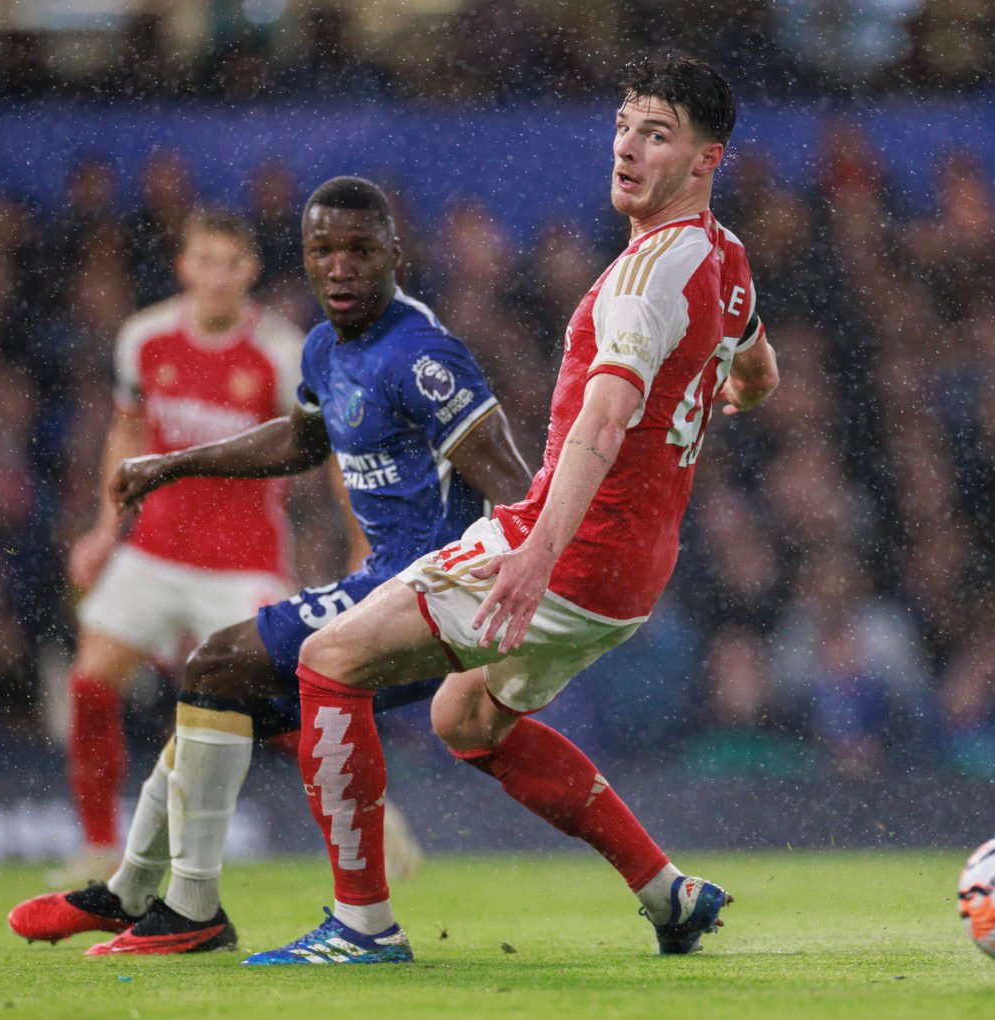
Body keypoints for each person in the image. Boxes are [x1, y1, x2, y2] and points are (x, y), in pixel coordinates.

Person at [245, 55, 780, 967]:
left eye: (657, 134)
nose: (627, 148)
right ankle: (669, 894)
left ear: (705, 159)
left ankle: (361, 926)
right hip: (633, 577)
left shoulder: (644, 279)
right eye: (624, 124)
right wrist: (730, 389)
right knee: (464, 718)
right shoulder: (726, 261)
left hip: (566, 551)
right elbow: (759, 367)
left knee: (328, 662)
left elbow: (604, 423)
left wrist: (533, 559)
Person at [9, 176, 531, 954]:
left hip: (409, 587)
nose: (341, 267)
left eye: (359, 250)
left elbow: (519, 487)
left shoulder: (422, 355)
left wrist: (544, 577)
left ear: (395, 253)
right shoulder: (319, 345)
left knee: (220, 668)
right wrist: (170, 466)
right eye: (324, 250)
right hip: (259, 566)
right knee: (211, 692)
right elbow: (302, 442)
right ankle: (138, 891)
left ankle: (191, 903)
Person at [56, 208, 305, 884]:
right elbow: (126, 435)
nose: (217, 277)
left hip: (243, 558)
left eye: (231, 263)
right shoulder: (145, 339)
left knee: (293, 706)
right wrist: (108, 531)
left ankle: (370, 824)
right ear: (184, 265)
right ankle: (99, 842)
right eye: (205, 260)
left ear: (250, 270)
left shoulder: (281, 352)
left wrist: (359, 540)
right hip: (157, 549)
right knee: (90, 678)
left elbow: (324, 453)